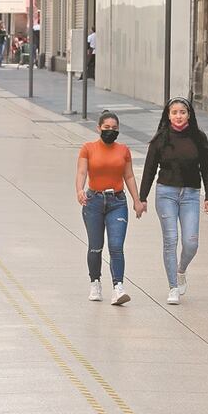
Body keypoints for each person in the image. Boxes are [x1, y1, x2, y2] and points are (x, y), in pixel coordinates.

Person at [139, 98, 208, 305]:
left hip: (190, 195)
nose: (178, 116)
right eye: (174, 112)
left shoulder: (198, 138)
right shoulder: (160, 139)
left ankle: (181, 270)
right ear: (168, 115)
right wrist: (142, 197)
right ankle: (173, 287)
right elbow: (149, 169)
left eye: (182, 112)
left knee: (191, 243)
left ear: (189, 114)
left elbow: (207, 168)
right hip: (166, 194)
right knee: (171, 240)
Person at [76, 111, 146, 305]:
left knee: (116, 246)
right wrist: (80, 190)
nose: (110, 131)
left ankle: (118, 287)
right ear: (98, 128)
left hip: (117, 201)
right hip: (94, 201)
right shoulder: (88, 148)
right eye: (106, 128)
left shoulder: (123, 150)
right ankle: (95, 282)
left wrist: (137, 200)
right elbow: (81, 172)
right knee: (96, 246)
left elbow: (129, 176)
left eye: (114, 128)